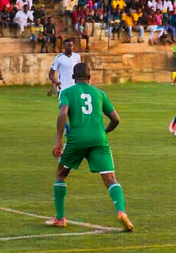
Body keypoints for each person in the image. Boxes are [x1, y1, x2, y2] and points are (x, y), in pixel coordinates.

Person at [46, 63, 134, 232]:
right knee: (110, 179)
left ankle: (60, 218)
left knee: (61, 174)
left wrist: (58, 141)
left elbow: (63, 113)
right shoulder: (100, 93)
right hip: (99, 139)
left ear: (73, 78)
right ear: (90, 77)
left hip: (77, 139)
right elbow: (116, 119)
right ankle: (121, 211)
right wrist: (104, 132)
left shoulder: (67, 92)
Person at [48, 39, 82, 133]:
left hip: (75, 88)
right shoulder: (59, 58)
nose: (70, 47)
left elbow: (80, 71)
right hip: (63, 89)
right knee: (64, 111)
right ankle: (67, 129)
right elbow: (51, 74)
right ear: (64, 47)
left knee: (75, 110)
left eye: (71, 46)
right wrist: (55, 81)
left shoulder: (77, 57)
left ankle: (75, 129)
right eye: (68, 46)